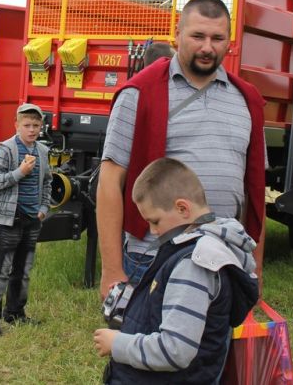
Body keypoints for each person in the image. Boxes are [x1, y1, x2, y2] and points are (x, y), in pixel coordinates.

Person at [97, 0, 266, 297]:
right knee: (150, 345)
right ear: (177, 35)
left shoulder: (248, 101)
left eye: (218, 38)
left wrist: (256, 265)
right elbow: (110, 182)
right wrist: (111, 269)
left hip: (225, 261)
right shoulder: (140, 94)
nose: (207, 47)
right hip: (153, 261)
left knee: (216, 345)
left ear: (230, 41)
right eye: (197, 36)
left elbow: (254, 191)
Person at [94, 157, 259, 384]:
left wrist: (117, 343)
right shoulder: (200, 250)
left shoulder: (194, 264)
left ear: (182, 208)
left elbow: (175, 350)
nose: (152, 231)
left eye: (155, 221)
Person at [0, 103, 52, 336]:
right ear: (16, 125)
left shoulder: (42, 151)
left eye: (36, 125)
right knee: (1, 270)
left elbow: (47, 182)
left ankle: (15, 313)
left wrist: (43, 207)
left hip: (32, 219)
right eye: (27, 125)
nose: (32, 130)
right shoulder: (6, 149)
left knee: (22, 271)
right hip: (8, 220)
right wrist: (19, 173)